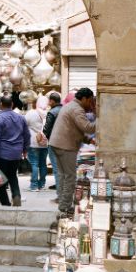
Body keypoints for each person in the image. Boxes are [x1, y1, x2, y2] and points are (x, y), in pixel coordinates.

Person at [49, 87, 96, 218]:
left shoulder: (71, 105)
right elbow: (87, 127)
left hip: (57, 144)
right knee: (69, 177)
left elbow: (74, 128)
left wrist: (88, 140)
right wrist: (101, 117)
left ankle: (63, 206)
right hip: (65, 146)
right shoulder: (77, 108)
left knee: (63, 176)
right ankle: (64, 208)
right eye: (90, 101)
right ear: (84, 99)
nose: (91, 104)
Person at [0, 95, 30, 206]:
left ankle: (5, 203)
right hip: (16, 153)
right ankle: (16, 195)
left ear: (0, 105)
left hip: (2, 153)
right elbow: (26, 135)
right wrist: (25, 149)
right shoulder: (21, 118)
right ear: (12, 105)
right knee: (13, 176)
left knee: (1, 180)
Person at [25, 99, 48, 192]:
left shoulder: (30, 113)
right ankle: (41, 184)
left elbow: (24, 124)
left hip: (33, 141)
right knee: (43, 164)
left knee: (34, 164)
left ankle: (34, 185)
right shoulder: (46, 113)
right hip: (44, 142)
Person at [42, 92, 63, 195]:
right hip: (65, 142)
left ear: (52, 101)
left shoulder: (52, 112)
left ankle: (60, 191)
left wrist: (46, 137)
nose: (49, 103)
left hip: (54, 142)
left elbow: (46, 128)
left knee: (56, 167)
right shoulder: (64, 110)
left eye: (49, 100)